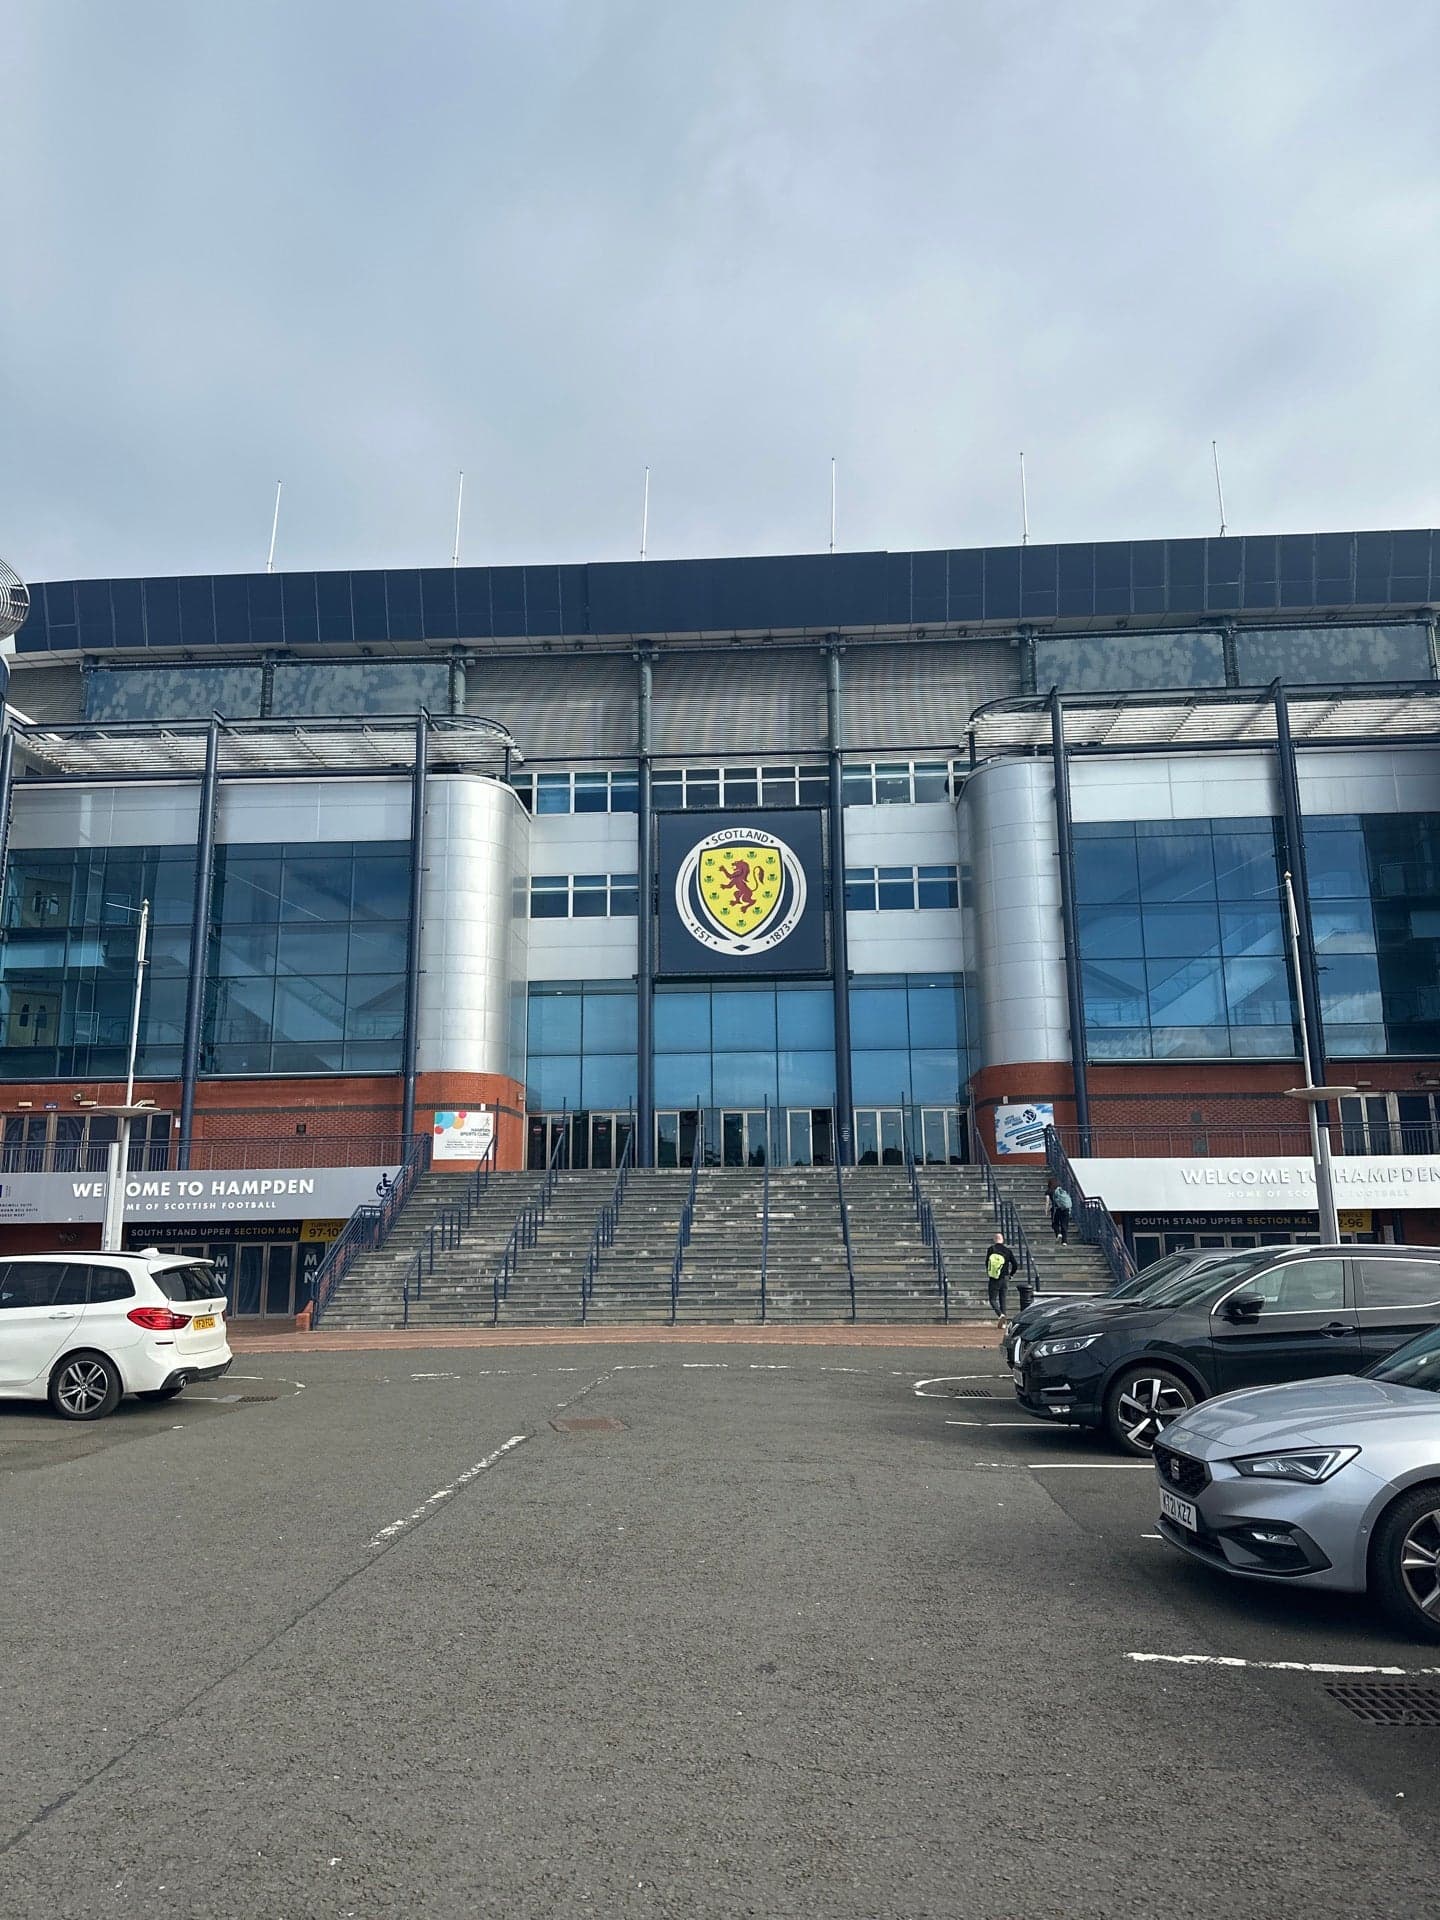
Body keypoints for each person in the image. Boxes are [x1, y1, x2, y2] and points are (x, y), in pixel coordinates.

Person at [985, 1232, 1019, 1323]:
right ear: (1002, 1240)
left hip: (994, 1278)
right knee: (1002, 1299)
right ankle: (1004, 1321)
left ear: (994, 1240)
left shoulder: (991, 1249)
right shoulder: (1008, 1251)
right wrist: (1011, 1274)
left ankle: (1000, 1314)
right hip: (1005, 1277)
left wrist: (990, 1273)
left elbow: (987, 1263)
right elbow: (1015, 1265)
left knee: (992, 1299)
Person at [1047, 1176, 1073, 1243]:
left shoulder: (1049, 1191)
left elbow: (1047, 1201)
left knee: (1055, 1223)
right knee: (1064, 1225)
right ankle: (1064, 1241)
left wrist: (1046, 1209)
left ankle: (1058, 1233)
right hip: (1066, 1209)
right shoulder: (1061, 1190)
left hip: (1056, 1209)